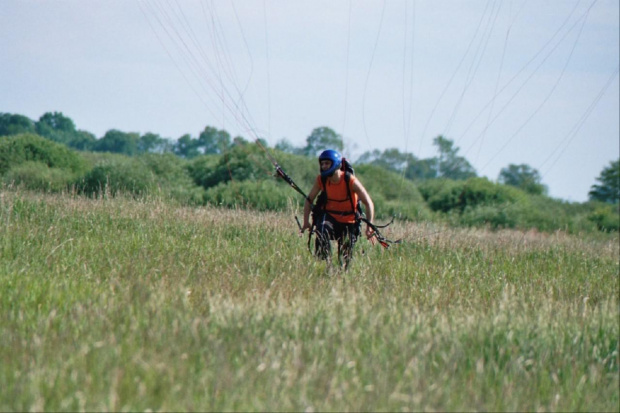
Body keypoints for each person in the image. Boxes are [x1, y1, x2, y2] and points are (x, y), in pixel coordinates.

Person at [301, 149, 376, 265]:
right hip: (330, 218)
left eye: (327, 163)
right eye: (322, 163)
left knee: (345, 258)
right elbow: (309, 200)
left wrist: (369, 226)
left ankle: (343, 273)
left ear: (335, 164)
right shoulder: (321, 180)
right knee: (321, 231)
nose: (324, 166)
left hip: (349, 222)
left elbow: (368, 203)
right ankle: (325, 265)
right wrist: (306, 222)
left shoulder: (350, 180)